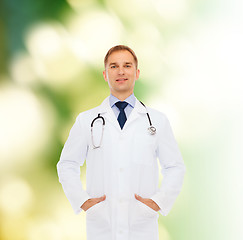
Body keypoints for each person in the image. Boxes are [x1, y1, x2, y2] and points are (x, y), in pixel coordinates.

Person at [57, 45, 186, 240]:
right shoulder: (86, 121)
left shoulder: (157, 121)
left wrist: (159, 202)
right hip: (102, 224)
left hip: (141, 225)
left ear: (137, 72)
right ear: (105, 74)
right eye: (113, 66)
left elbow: (175, 167)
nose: (121, 71)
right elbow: (67, 164)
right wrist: (82, 201)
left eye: (127, 65)